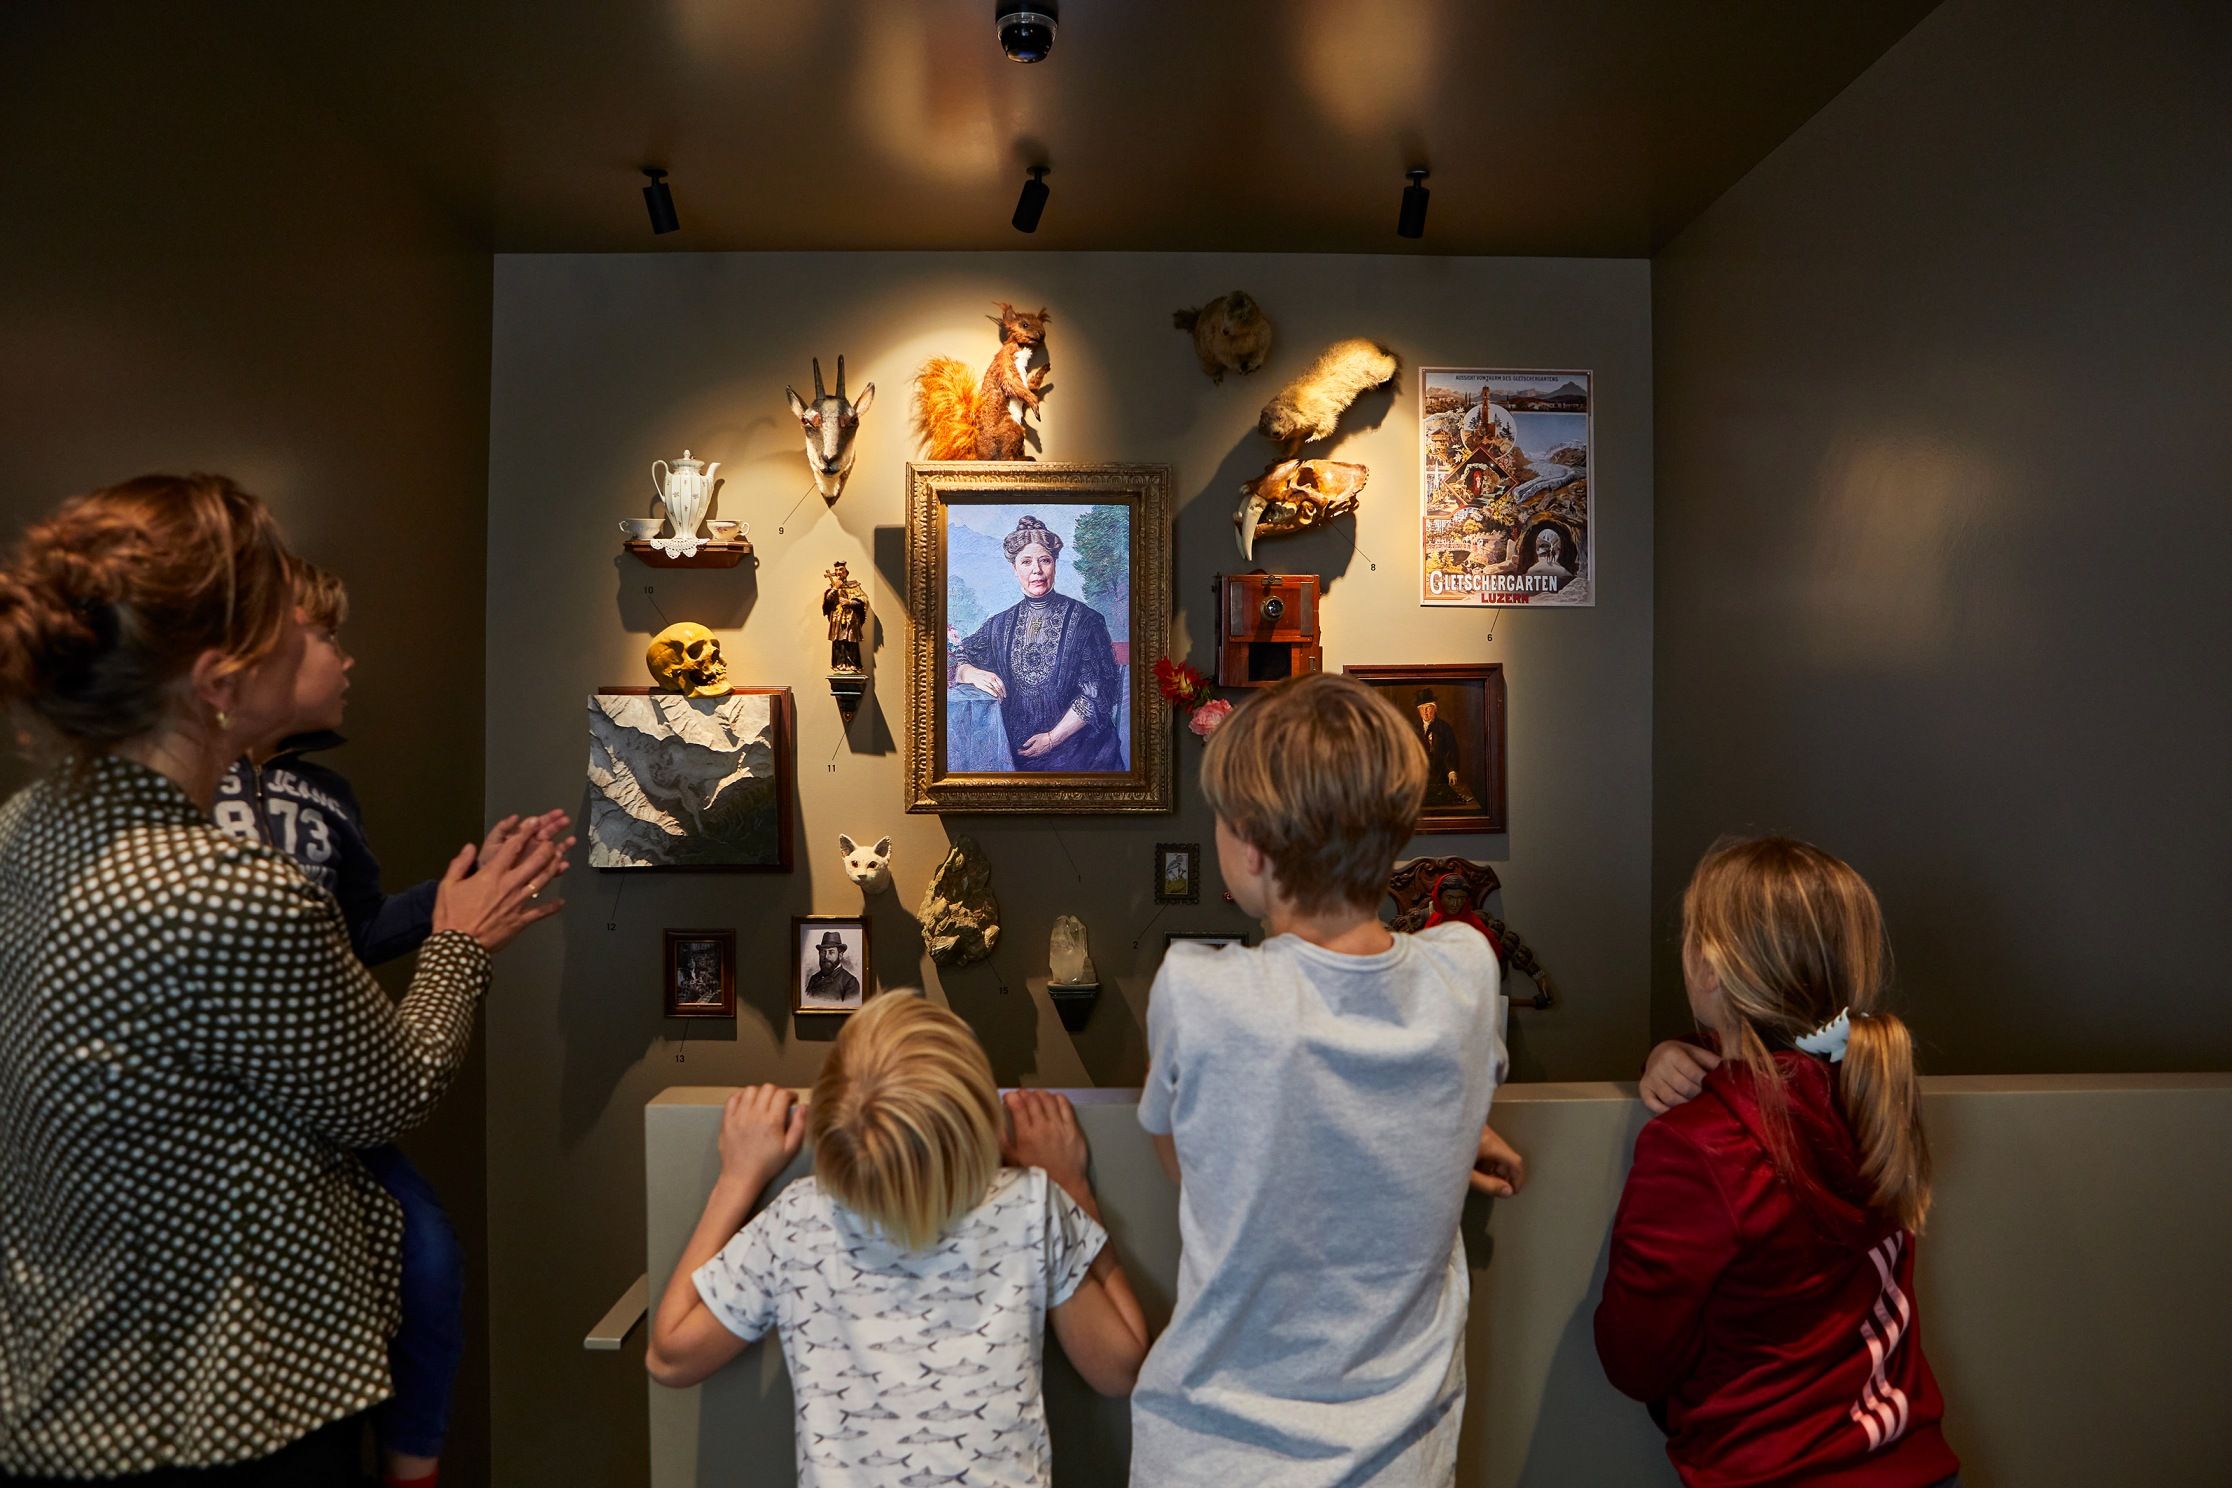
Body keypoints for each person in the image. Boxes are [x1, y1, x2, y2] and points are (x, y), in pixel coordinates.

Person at [0, 474, 570, 1486]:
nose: (323, 645)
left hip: (67, 1378)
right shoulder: (225, 889)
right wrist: (462, 944)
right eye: (291, 629)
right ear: (220, 684)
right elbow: (387, 1093)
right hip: (216, 1404)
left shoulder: (27, 829)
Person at [212, 557, 564, 1488]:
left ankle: (414, 1463)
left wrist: (460, 898)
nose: (349, 660)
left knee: (433, 1256)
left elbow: (361, 930)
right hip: (254, 1120)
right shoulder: (178, 811)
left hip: (341, 1089)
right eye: (327, 638)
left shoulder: (328, 796)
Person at [1133, 672, 1526, 1486]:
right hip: (1400, 1461)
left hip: (1212, 1455)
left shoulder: (1198, 989)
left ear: (1251, 848)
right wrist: (1447, 1128)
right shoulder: (1467, 974)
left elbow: (1189, 1158)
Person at [646, 995, 1150, 1486]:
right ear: (979, 1124)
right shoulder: (1030, 1207)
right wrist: (1071, 1186)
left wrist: (737, 1179)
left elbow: (669, 1358)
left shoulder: (800, 1220)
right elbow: (1122, 1368)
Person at [1598, 836, 1960, 1488]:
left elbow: (1634, 1358)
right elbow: (1776, 1071)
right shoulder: (1871, 1089)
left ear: (1710, 970)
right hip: (1918, 1466)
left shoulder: (1694, 1149)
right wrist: (1678, 1054)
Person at [950, 514, 1124, 771]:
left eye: (1045, 561)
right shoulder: (999, 625)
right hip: (1017, 755)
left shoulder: (1088, 621)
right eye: (1026, 562)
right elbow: (956, 655)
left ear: (1054, 564)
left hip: (1083, 756)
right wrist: (969, 672)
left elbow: (1097, 695)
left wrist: (1052, 739)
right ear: (1015, 568)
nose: (1036, 570)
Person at [1413, 687, 1467, 806]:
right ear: (1418, 711)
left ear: (1435, 709)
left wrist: (1452, 770)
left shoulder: (1445, 728)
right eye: (1422, 709)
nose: (1426, 712)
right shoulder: (1413, 729)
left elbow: (1452, 751)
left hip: (1440, 777)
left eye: (1428, 708)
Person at [802, 929, 860, 1007]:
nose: (826, 956)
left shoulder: (850, 982)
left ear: (840, 955)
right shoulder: (814, 978)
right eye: (823, 952)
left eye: (831, 952)